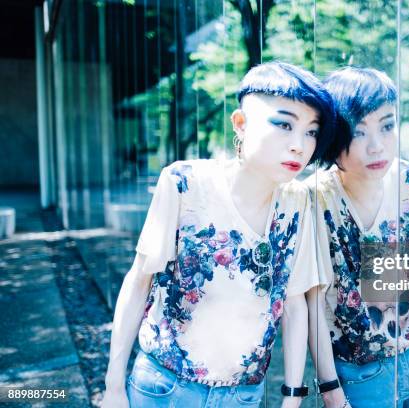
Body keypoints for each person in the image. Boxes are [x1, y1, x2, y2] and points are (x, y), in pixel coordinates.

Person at [101, 61, 337, 408]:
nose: (299, 146)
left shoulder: (297, 202)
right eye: (284, 124)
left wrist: (292, 397)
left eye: (312, 131)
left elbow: (294, 304)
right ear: (240, 124)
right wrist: (114, 386)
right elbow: (139, 282)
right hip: (164, 387)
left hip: (243, 395)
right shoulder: (185, 183)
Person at [306, 67, 409, 408]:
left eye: (387, 126)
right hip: (360, 374)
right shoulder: (314, 197)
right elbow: (312, 302)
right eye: (358, 132)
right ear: (333, 136)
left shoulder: (404, 177)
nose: (377, 146)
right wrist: (330, 389)